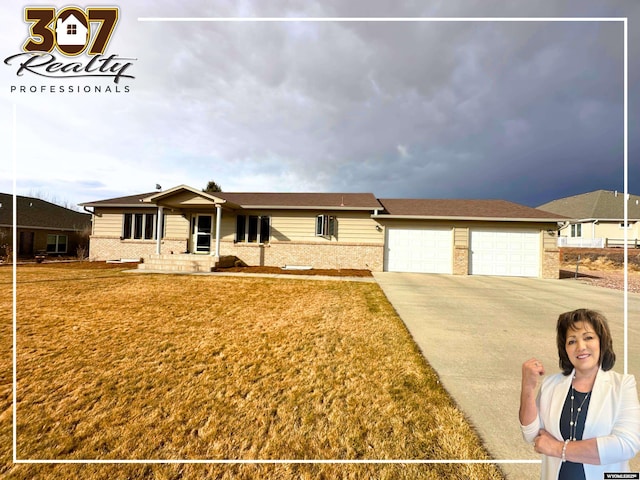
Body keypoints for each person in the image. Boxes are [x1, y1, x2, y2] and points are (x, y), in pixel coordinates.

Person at [520, 308, 640, 480]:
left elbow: (626, 445)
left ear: (601, 342)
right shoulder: (551, 385)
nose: (580, 347)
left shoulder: (622, 385)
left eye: (588, 337)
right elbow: (531, 434)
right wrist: (527, 387)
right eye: (571, 341)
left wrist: (556, 448)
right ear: (565, 349)